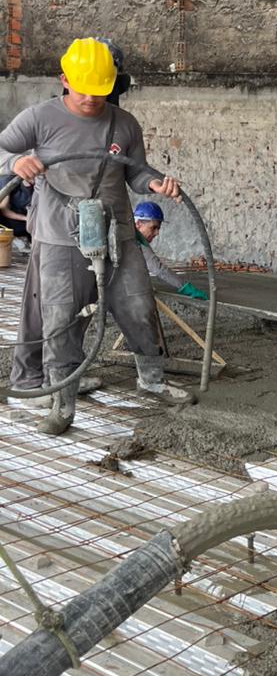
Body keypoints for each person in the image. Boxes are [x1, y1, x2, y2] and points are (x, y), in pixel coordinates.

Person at [0, 37, 192, 433]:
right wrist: (18, 161)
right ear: (65, 79)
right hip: (59, 233)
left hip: (117, 230)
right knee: (61, 317)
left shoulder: (124, 123)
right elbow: (0, 150)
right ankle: (62, 399)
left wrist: (154, 183)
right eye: (83, 88)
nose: (91, 97)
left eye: (100, 90)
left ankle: (151, 378)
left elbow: (135, 171)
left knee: (138, 305)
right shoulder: (39, 118)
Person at [133, 201, 208, 299]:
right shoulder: (132, 238)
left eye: (158, 228)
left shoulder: (135, 236)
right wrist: (186, 288)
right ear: (138, 223)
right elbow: (158, 269)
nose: (157, 233)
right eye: (153, 228)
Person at [0, 170, 31, 245]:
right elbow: (4, 209)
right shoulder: (8, 180)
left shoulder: (42, 183)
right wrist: (26, 218)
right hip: (12, 224)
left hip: (32, 225)